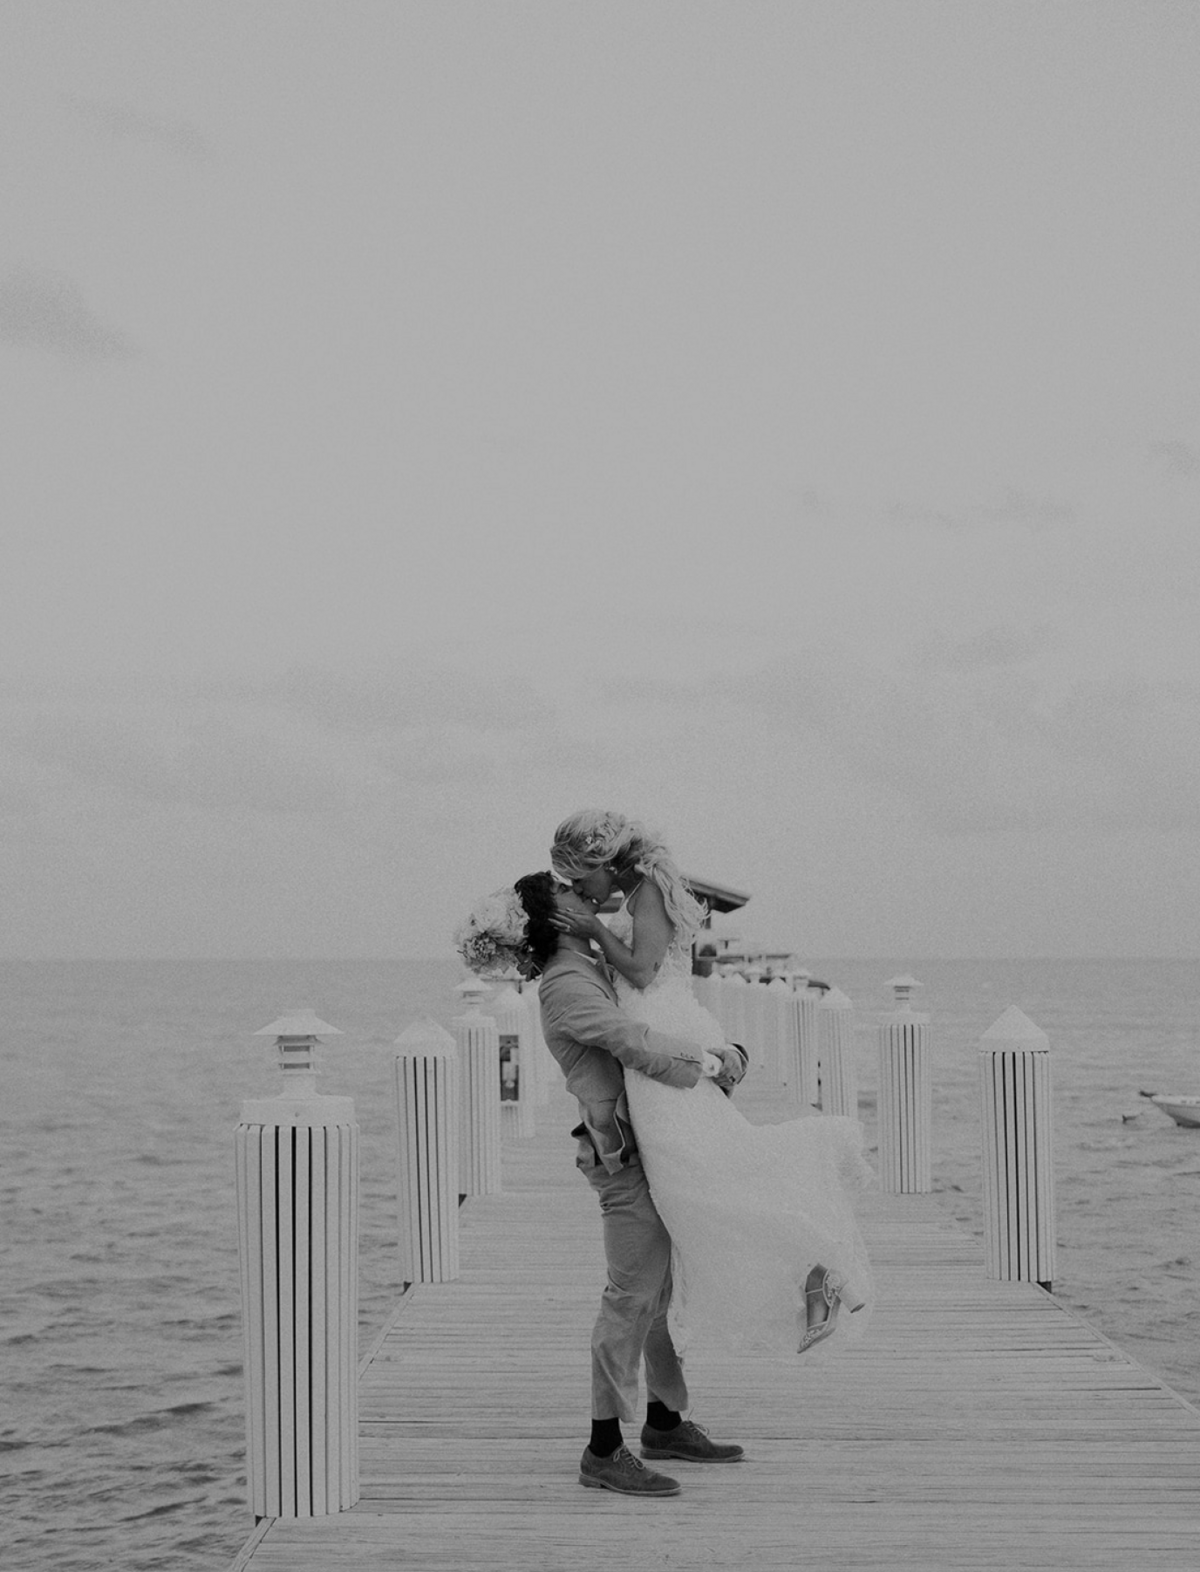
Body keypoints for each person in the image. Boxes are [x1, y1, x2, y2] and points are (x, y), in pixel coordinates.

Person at [455, 876, 747, 1498]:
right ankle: (603, 1447)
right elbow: (631, 1042)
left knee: (661, 1287)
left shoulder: (585, 962)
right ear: (555, 916)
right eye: (563, 891)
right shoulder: (566, 985)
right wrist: (712, 1063)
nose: (578, 889)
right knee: (630, 1295)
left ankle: (666, 1421)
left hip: (650, 1142)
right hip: (622, 1157)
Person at [547, 809, 874, 1362]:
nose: (581, 892)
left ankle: (818, 1270)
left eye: (582, 879)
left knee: (702, 1181)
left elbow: (645, 971)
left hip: (665, 1044)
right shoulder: (635, 895)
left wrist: (594, 931)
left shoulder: (648, 889)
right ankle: (813, 1275)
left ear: (605, 863)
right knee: (704, 1180)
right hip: (658, 1045)